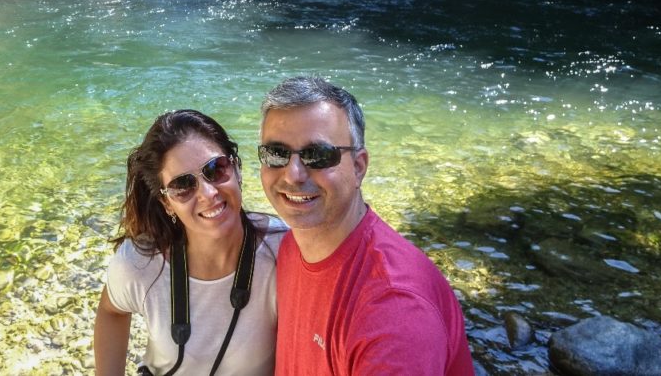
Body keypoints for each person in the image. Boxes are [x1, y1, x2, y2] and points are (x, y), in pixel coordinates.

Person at [257, 76, 475, 375]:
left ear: (359, 167)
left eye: (318, 156)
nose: (293, 174)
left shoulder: (395, 310)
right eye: (276, 154)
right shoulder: (292, 245)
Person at [94, 109, 287, 376]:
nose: (208, 193)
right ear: (167, 203)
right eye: (183, 185)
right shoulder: (141, 263)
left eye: (215, 169)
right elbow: (112, 311)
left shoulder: (286, 252)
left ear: (237, 168)